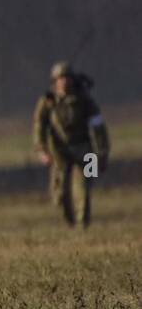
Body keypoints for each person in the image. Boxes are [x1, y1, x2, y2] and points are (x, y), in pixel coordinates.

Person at [32, 61, 110, 228]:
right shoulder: (48, 102)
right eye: (61, 78)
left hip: (85, 148)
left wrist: (101, 154)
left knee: (84, 189)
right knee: (60, 193)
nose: (64, 82)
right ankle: (70, 223)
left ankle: (84, 225)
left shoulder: (85, 100)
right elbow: (39, 127)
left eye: (67, 77)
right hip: (59, 150)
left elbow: (98, 127)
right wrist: (42, 150)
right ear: (54, 81)